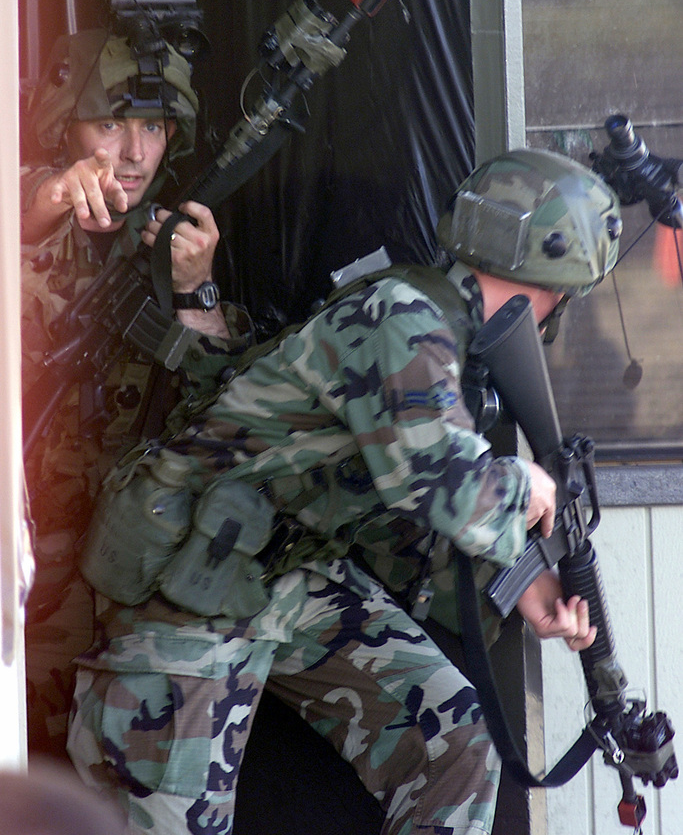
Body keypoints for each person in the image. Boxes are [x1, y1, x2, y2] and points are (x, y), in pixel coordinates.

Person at [67, 148, 622, 835]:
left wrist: (521, 584)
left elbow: (409, 503)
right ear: (554, 280)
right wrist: (526, 487)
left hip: (283, 566)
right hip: (185, 579)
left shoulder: (445, 336)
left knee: (451, 739)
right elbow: (441, 484)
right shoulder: (405, 318)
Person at [21, 27, 254, 760]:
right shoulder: (35, 202)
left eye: (152, 126)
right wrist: (48, 198)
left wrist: (197, 290)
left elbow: (227, 410)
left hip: (128, 564)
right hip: (30, 565)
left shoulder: (172, 240)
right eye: (110, 124)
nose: (131, 152)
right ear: (66, 128)